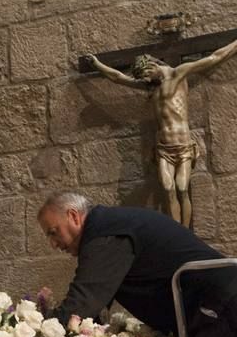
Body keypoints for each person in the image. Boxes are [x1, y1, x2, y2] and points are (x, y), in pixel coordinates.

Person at [38, 191, 237, 337]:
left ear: (73, 216)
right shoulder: (109, 227)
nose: (53, 244)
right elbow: (95, 306)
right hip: (209, 309)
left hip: (217, 307)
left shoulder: (105, 232)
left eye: (53, 232)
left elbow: (81, 305)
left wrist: (36, 331)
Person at [88, 38, 237, 227]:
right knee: (168, 188)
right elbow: (118, 77)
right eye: (143, 77)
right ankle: (176, 231)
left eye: (147, 74)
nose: (146, 80)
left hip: (182, 144)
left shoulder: (178, 74)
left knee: (182, 188)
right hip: (163, 148)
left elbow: (215, 57)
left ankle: (185, 230)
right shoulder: (149, 84)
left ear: (153, 64)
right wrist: (97, 64)